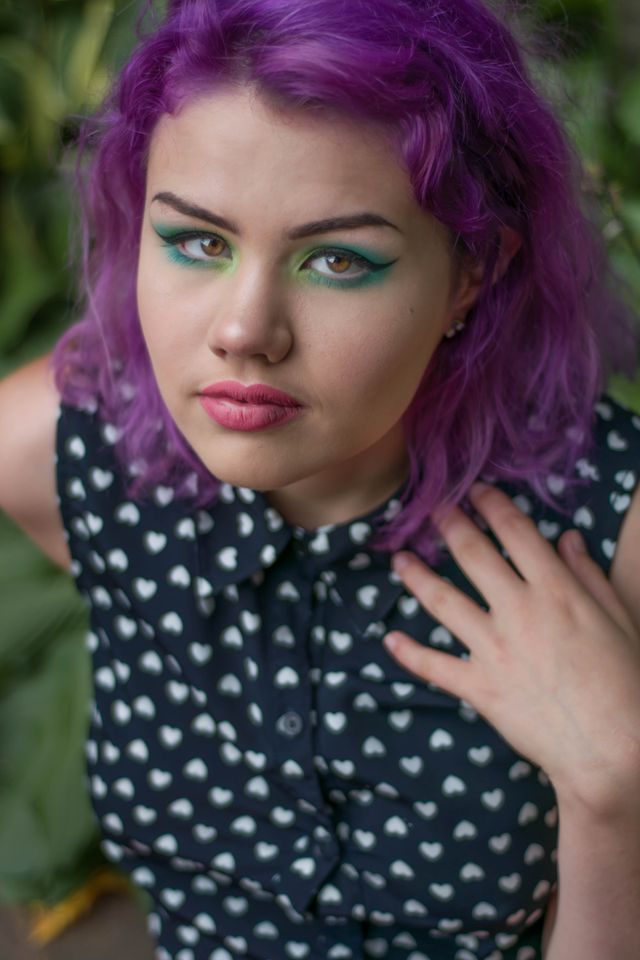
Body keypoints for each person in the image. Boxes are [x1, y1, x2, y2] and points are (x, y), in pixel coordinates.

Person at [1, 0, 639, 957]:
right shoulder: (61, 453)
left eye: (337, 259)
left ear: (472, 272)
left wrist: (613, 793)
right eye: (198, 242)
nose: (245, 331)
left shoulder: (611, 533)